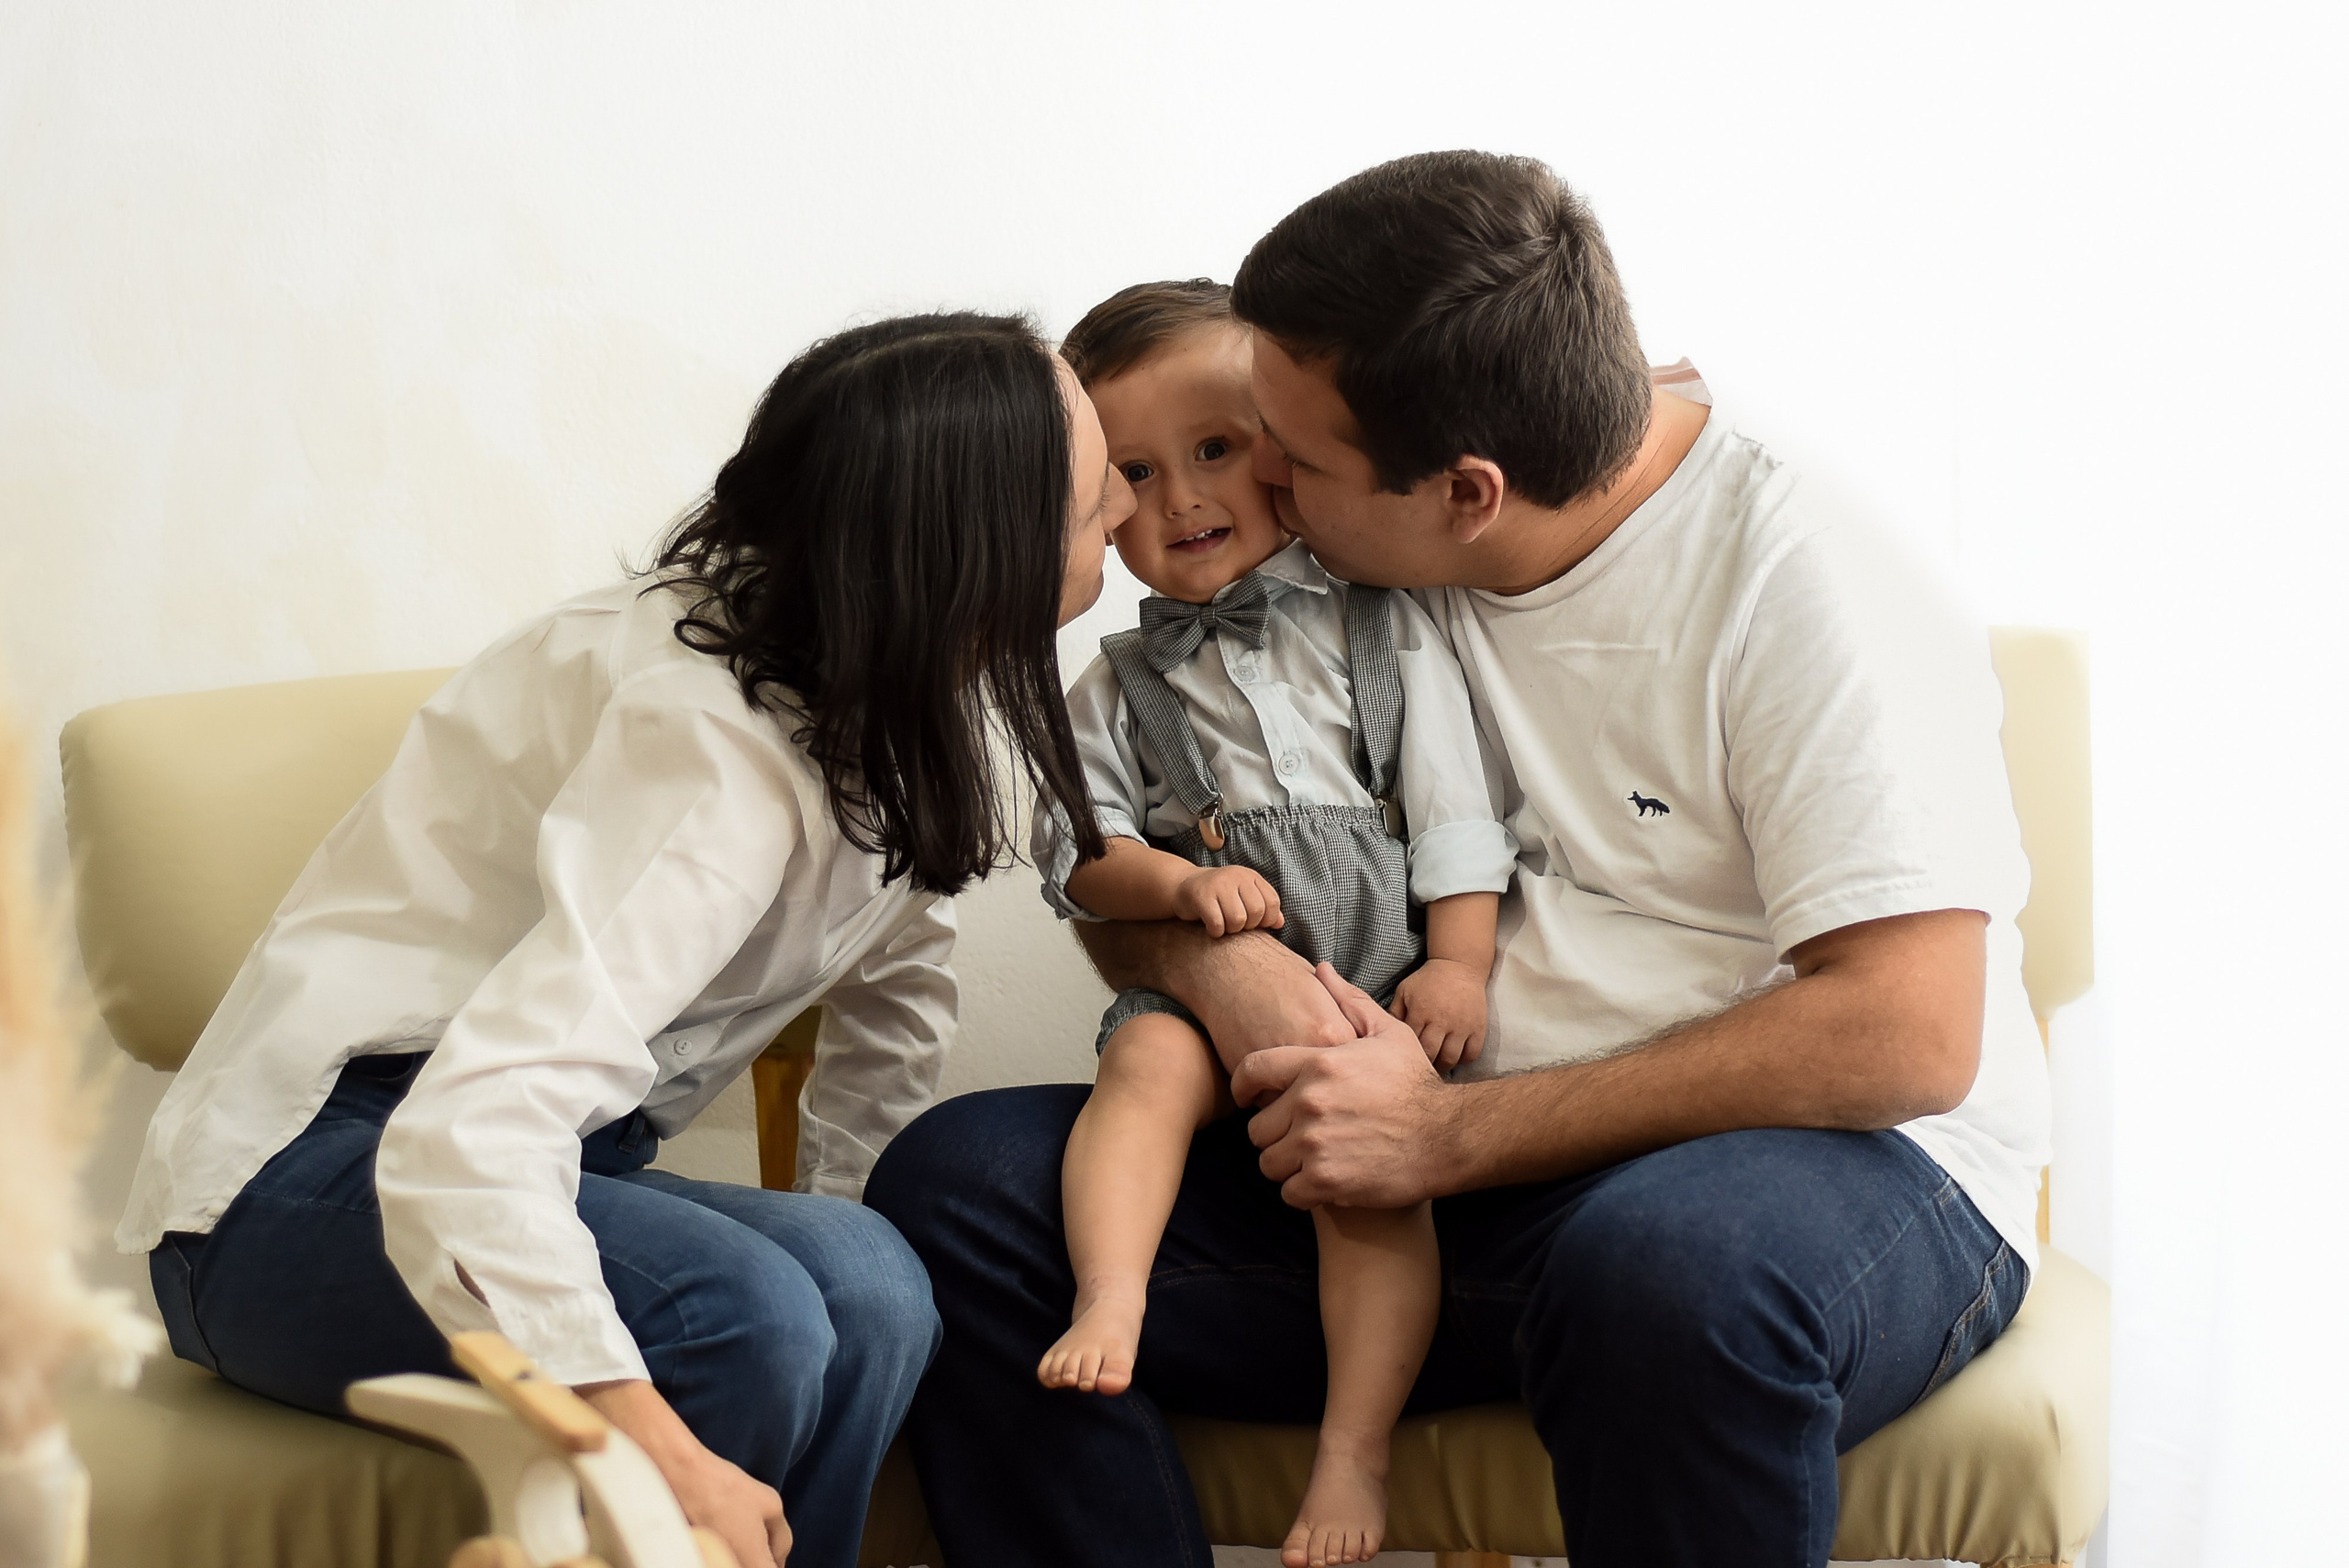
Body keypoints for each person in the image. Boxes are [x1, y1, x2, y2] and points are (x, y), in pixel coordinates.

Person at [866, 155, 2051, 1568]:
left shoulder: (1807, 582)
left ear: (1467, 493)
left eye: (1289, 457)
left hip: (1815, 1181)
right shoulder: (1341, 566)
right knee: (957, 1190)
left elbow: (1909, 1034)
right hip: (1438, 1170)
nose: (1263, 490)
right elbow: (1142, 870)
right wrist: (1230, 972)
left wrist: (1447, 1133)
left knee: (1668, 1276)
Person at [117, 313, 1138, 1568]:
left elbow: (893, 1009)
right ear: (971, 550)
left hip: (544, 1154)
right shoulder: (707, 749)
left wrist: (835, 1248)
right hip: (292, 1188)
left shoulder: (899, 688)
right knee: (748, 1319)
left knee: (870, 1284)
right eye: (1099, 503)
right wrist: (653, 1444)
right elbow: (464, 1134)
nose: (1127, 523)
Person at [1031, 281, 1515, 1567]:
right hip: (1206, 983)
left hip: (1374, 974)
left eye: (1215, 449)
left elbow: (1455, 812)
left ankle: (1354, 1445)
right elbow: (1079, 852)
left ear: (1286, 448)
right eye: (1133, 471)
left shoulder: (1384, 619)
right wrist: (1179, 891)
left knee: (1370, 1175)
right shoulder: (1115, 681)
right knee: (1138, 1066)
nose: (1182, 497)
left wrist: (1458, 962)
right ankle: (1113, 1292)